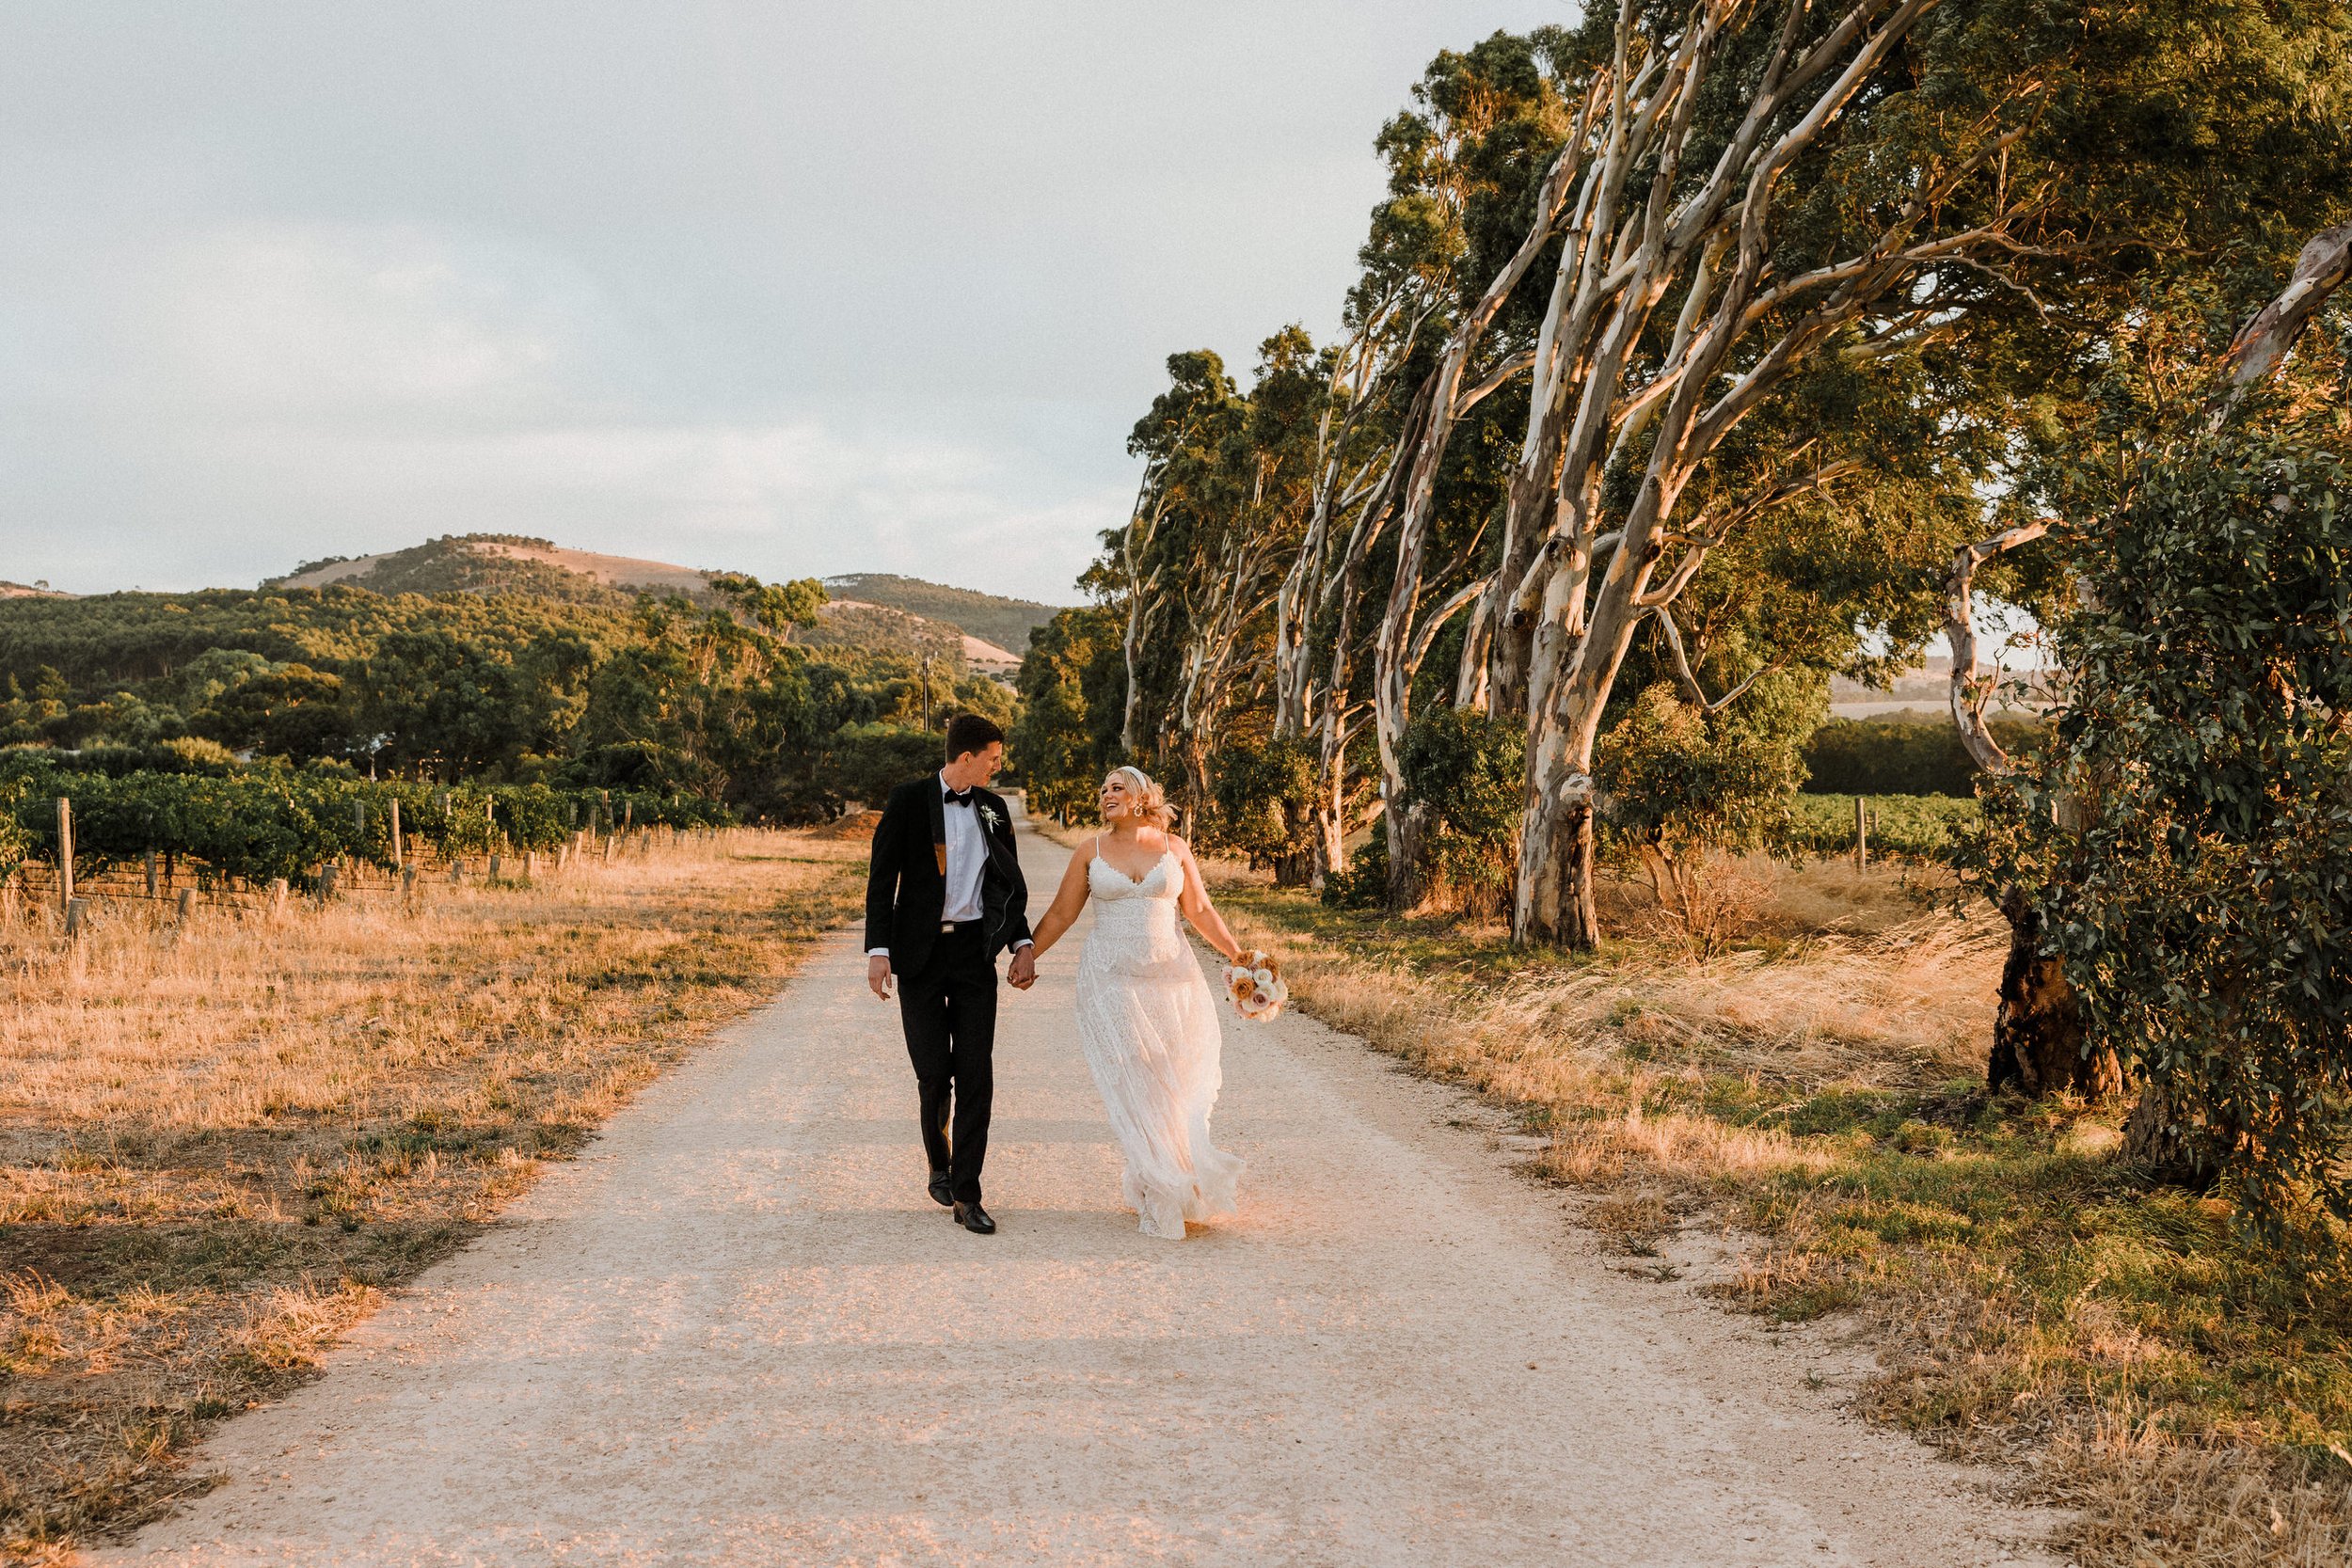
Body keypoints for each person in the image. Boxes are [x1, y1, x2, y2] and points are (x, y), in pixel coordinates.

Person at [1024, 765, 1245, 1239]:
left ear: (1142, 795)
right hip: (1110, 981)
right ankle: (1159, 1186)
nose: (1105, 794)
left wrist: (1240, 956)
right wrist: (1027, 954)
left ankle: (1171, 1173)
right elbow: (1063, 912)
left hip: (1173, 980)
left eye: (1116, 787)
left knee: (1176, 1080)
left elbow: (1200, 910)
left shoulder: (1174, 848)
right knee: (1139, 1081)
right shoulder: (1090, 850)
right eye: (1102, 788)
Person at [864, 714, 1034, 1236]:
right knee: (935, 1072)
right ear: (967, 758)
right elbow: (881, 878)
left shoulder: (995, 809)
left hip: (973, 956)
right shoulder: (908, 800)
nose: (998, 767)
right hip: (919, 955)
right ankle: (938, 1161)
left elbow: (1005, 881)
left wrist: (1021, 943)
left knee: (976, 1074)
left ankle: (967, 1193)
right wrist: (878, 949)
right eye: (993, 759)